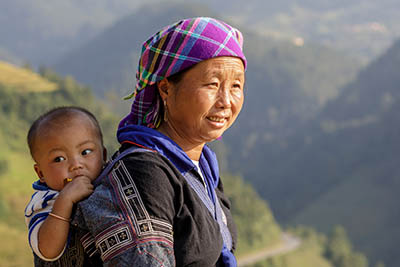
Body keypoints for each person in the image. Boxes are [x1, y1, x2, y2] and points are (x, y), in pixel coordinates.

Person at [73, 16, 247, 266]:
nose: (226, 101)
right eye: (212, 84)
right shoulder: (146, 172)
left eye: (236, 85)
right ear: (165, 88)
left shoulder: (204, 166)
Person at [24, 106, 106, 266]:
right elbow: (47, 250)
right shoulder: (45, 201)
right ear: (40, 173)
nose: (76, 165)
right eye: (59, 159)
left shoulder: (111, 182)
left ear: (103, 155)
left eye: (86, 151)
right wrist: (65, 200)